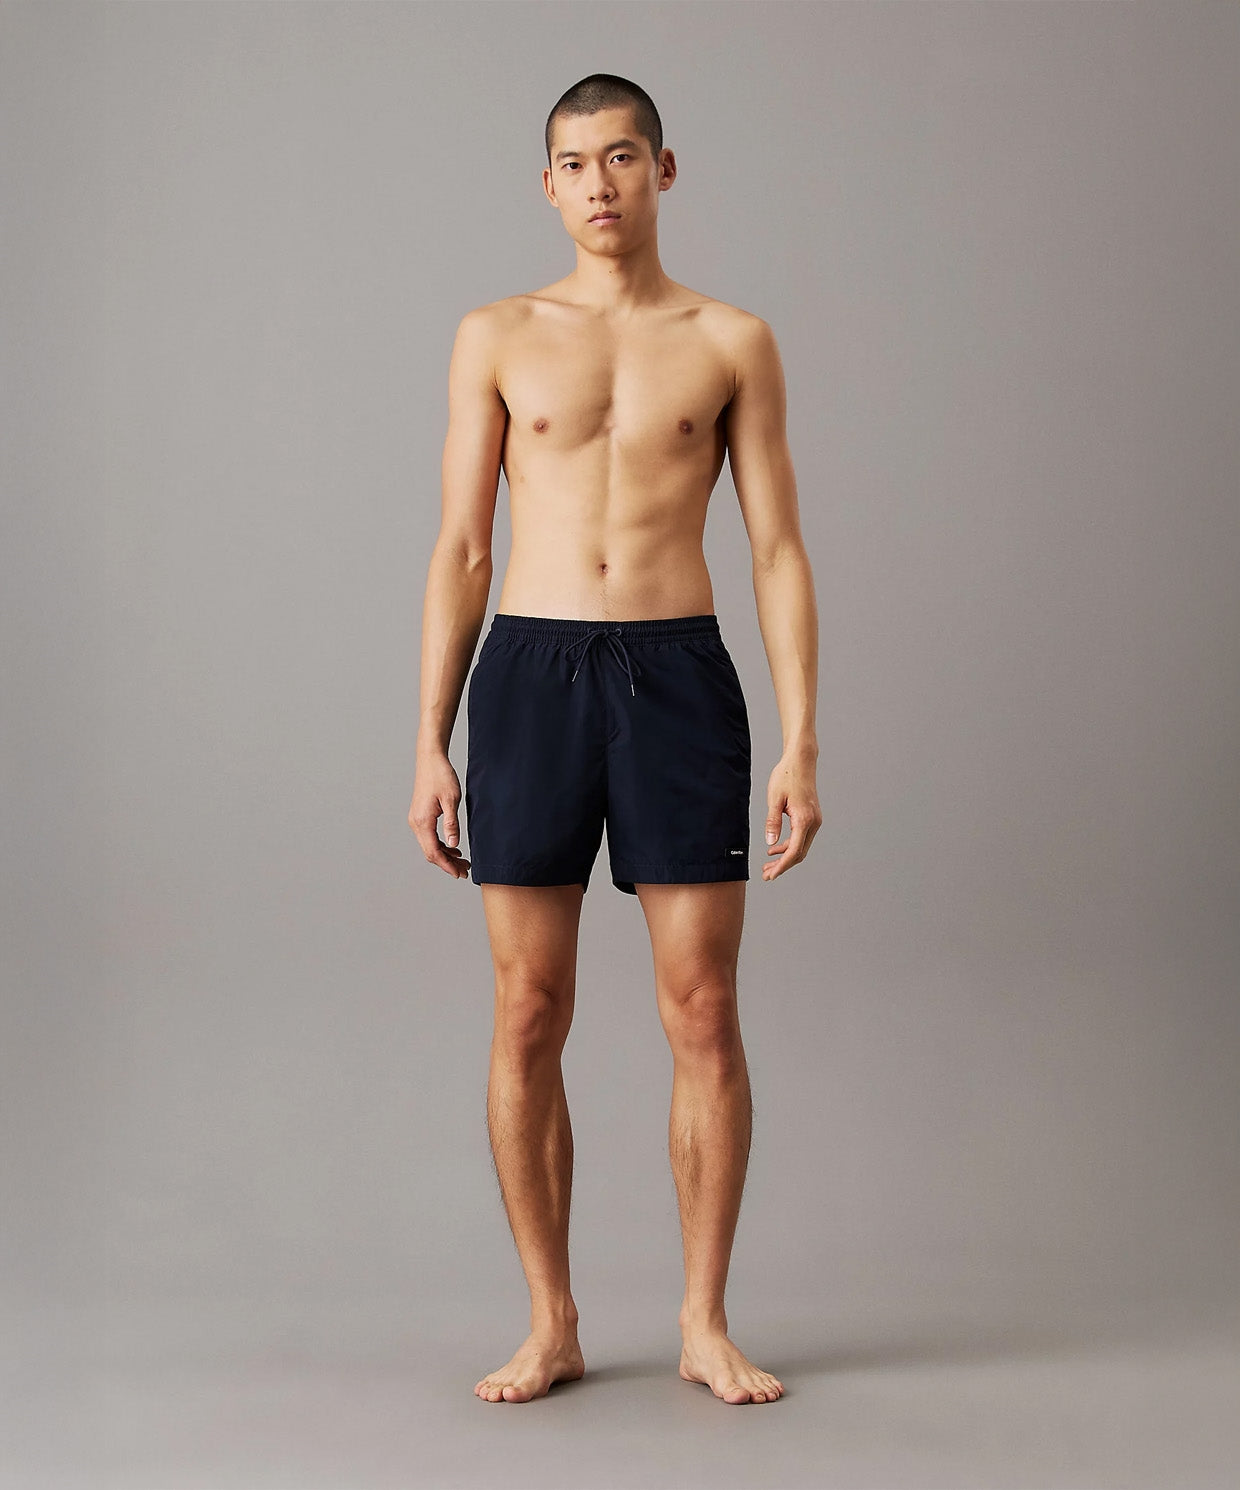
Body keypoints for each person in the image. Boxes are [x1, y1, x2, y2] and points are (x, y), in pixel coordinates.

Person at [408, 73, 820, 1406]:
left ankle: (704, 1319)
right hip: (530, 673)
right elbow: (464, 547)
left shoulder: (732, 339)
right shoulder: (496, 334)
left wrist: (802, 740)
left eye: (623, 157)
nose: (600, 184)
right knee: (528, 1008)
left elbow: (776, 548)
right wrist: (429, 740)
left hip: (676, 673)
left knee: (702, 1007)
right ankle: (552, 1319)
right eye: (576, 164)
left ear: (664, 170)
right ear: (548, 185)